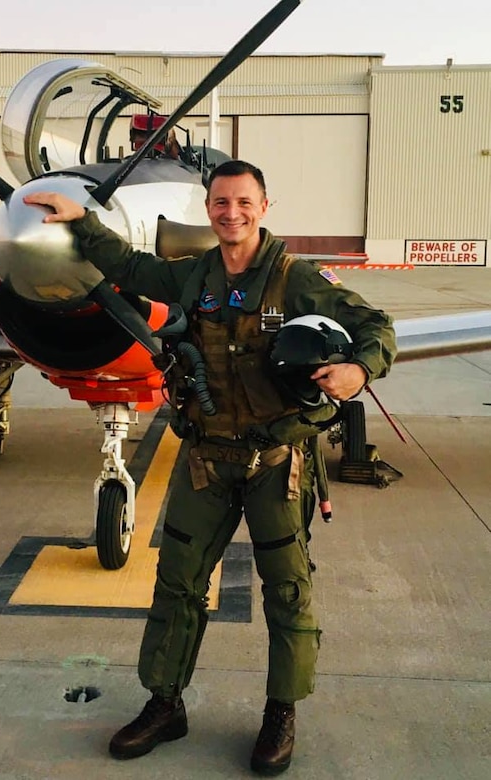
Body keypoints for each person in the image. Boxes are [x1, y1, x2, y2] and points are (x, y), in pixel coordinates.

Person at [24, 160, 397, 776]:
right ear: (210, 209)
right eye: (221, 203)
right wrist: (83, 220)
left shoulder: (295, 280)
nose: (232, 213)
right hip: (205, 461)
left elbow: (374, 326)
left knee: (286, 591)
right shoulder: (197, 274)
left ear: (264, 206)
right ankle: (165, 704)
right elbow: (130, 268)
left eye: (243, 202)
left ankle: (281, 712)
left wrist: (359, 369)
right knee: (176, 584)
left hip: (275, 463)